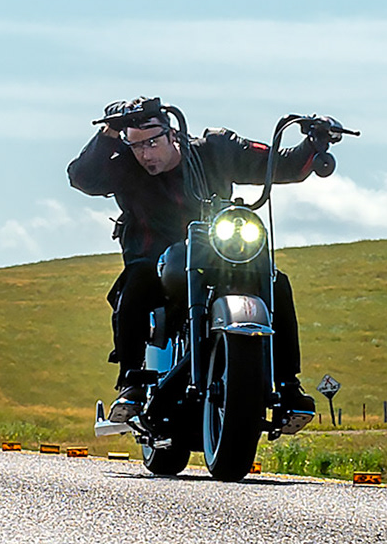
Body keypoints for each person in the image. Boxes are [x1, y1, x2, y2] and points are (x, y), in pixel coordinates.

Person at [68, 97, 328, 422]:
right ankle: (132, 382)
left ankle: (288, 385)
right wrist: (108, 132)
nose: (146, 154)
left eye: (151, 142)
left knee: (276, 282)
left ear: (171, 133)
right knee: (136, 281)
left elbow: (283, 165)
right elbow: (82, 178)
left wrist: (314, 142)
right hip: (156, 261)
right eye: (136, 146)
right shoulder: (124, 165)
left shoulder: (216, 149)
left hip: (224, 253)